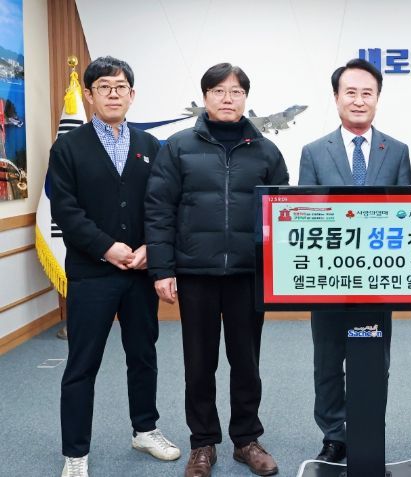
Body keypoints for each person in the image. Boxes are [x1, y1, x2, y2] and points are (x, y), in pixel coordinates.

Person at [145, 63, 288, 477]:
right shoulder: (178, 147)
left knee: (246, 364)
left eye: (236, 91)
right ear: (205, 96)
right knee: (198, 364)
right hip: (196, 274)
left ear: (246, 98)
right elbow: (159, 209)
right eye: (219, 91)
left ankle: (246, 440)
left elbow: (283, 215)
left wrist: (278, 273)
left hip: (248, 275)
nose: (228, 98)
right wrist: (162, 268)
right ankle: (203, 443)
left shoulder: (266, 151)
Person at [50, 56, 180, 477]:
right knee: (82, 364)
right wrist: (107, 248)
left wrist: (149, 249)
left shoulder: (150, 146)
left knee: (143, 355)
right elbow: (65, 210)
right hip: (92, 273)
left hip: (140, 272)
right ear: (89, 95)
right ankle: (75, 452)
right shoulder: (68, 147)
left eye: (120, 86)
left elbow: (163, 204)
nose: (113, 93)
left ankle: (145, 429)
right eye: (103, 87)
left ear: (132, 94)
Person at [298, 58, 411, 462]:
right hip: (327, 281)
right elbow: (306, 218)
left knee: (375, 361)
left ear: (377, 98)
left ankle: (368, 427)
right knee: (328, 362)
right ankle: (334, 433)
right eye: (351, 92)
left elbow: (407, 215)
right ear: (336, 98)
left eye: (368, 93)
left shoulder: (397, 151)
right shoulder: (314, 152)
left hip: (378, 281)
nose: (359, 100)